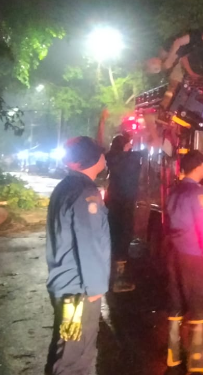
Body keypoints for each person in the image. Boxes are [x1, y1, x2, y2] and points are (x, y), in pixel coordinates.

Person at [45, 136, 110, 375]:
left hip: (67, 286)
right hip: (79, 291)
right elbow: (90, 240)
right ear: (94, 159)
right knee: (75, 356)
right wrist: (96, 288)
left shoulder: (66, 186)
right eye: (102, 153)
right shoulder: (85, 191)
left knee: (67, 349)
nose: (105, 157)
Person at [165, 151, 203, 373]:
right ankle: (198, 359)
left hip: (173, 254)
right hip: (192, 255)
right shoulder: (199, 192)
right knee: (201, 305)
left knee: (176, 303)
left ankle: (173, 355)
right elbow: (202, 229)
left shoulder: (173, 191)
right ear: (198, 167)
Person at [104, 133, 142, 293]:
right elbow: (155, 145)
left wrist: (102, 122)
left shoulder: (110, 157)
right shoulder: (130, 159)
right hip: (125, 205)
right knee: (123, 240)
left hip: (111, 203)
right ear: (125, 146)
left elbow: (101, 145)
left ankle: (108, 278)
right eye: (129, 144)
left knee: (112, 239)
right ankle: (118, 280)